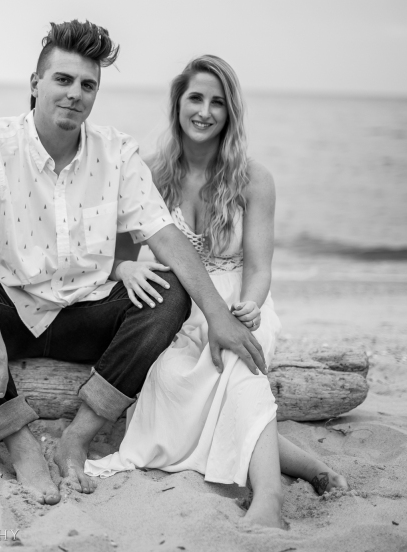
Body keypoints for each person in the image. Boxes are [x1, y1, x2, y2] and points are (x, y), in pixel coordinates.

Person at [0, 22, 269, 506]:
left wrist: (217, 315)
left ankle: (78, 437)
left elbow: (165, 235)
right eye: (63, 80)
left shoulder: (117, 152)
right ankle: (19, 441)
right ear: (35, 84)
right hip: (12, 313)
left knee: (170, 293)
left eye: (88, 85)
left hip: (84, 316)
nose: (75, 94)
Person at [85, 55, 347, 528]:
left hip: (237, 301)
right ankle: (312, 467)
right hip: (174, 306)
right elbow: (113, 256)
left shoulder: (253, 179)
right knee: (171, 383)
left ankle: (267, 498)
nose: (204, 111)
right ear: (178, 104)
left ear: (231, 112)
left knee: (237, 366)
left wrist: (249, 306)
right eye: (195, 98)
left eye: (217, 102)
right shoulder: (146, 172)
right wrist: (126, 269)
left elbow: (260, 268)